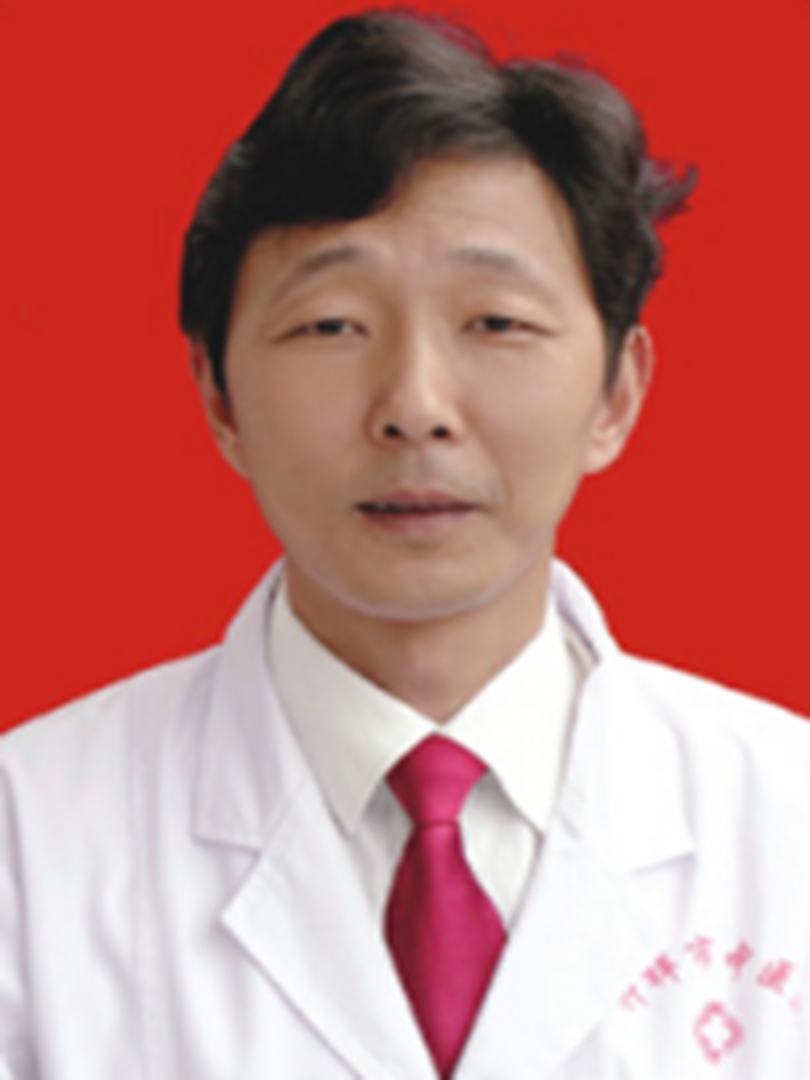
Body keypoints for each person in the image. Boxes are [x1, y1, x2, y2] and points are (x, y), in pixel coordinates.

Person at [2, 10, 809, 1079]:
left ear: (617, 393)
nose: (415, 407)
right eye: (332, 325)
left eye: (497, 323)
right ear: (220, 395)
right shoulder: (26, 840)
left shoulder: (788, 820)